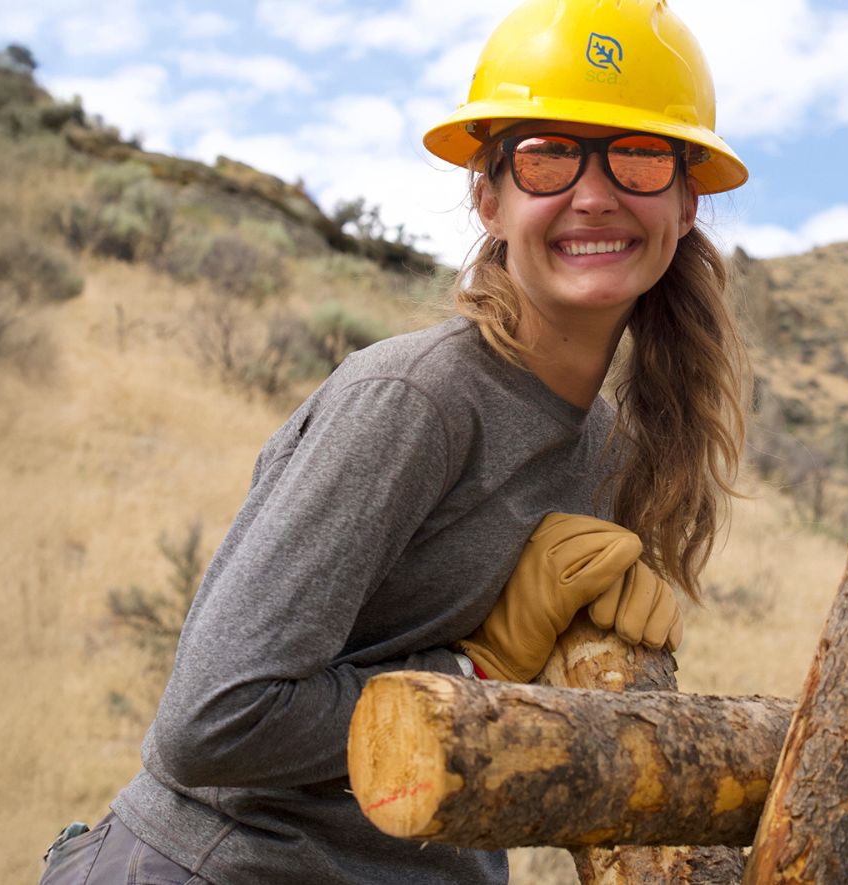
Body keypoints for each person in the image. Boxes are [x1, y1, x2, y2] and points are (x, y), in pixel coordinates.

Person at [38, 0, 748, 882]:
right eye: (547, 156)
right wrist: (477, 676)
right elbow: (212, 722)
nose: (595, 193)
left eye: (640, 157)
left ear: (686, 203)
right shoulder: (415, 400)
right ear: (489, 197)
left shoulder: (610, 453)